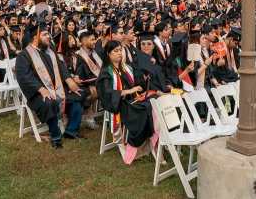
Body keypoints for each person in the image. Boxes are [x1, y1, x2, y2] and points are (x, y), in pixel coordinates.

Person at [14, 15, 83, 149]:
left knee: (78, 96)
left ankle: (70, 130)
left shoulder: (50, 52)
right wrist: (41, 89)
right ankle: (55, 136)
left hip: (56, 88)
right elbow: (24, 77)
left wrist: (70, 82)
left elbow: (61, 67)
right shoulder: (24, 55)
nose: (49, 37)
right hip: (37, 93)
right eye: (45, 34)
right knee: (49, 103)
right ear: (36, 37)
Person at [95, 39, 156, 164]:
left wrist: (146, 73)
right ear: (108, 53)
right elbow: (106, 92)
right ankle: (136, 143)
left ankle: (149, 141)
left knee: (151, 105)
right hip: (118, 104)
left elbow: (136, 82)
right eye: (116, 51)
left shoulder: (126, 68)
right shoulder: (106, 72)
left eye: (120, 51)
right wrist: (127, 92)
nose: (119, 53)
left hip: (132, 100)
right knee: (143, 111)